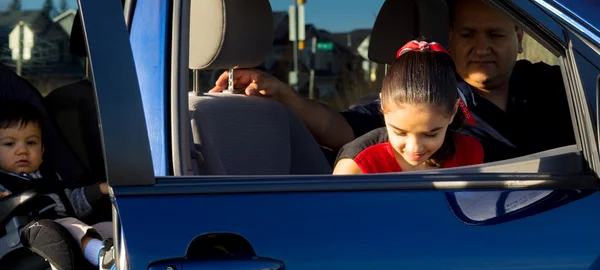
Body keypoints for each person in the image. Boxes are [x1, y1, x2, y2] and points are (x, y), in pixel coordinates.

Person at [210, 0, 574, 166]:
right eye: (467, 34)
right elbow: (339, 128)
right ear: (450, 35)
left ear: (520, 35)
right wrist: (284, 95)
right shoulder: (419, 101)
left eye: (495, 34)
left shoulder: (564, 83)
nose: (481, 47)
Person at [0, 100, 114, 270]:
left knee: (107, 227)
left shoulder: (51, 178)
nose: (22, 150)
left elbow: (73, 202)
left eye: (31, 142)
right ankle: (105, 259)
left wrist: (100, 189)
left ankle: (127, 261)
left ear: (43, 150)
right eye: (9, 144)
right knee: (69, 226)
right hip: (26, 244)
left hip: (65, 231)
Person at [334, 41, 483, 174]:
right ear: (382, 106)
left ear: (454, 111)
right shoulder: (358, 166)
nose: (415, 148)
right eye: (400, 132)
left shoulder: (469, 152)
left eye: (431, 135)